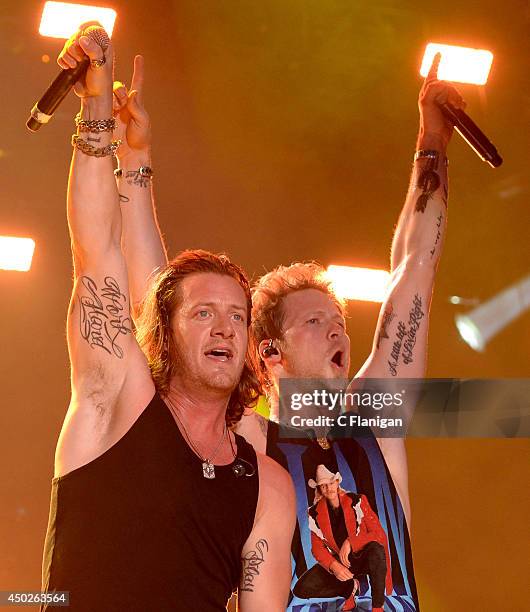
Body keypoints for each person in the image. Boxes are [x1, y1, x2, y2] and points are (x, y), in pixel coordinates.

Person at [110, 45, 462, 610]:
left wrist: (432, 144)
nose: (338, 334)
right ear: (269, 354)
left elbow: (414, 274)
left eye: (341, 323)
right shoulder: (249, 440)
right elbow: (161, 303)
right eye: (316, 322)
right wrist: (136, 164)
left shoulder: (376, 420)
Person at [40, 24, 295, 612]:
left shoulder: (266, 485)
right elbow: (96, 251)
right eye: (204, 312)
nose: (226, 326)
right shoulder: (118, 400)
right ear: (163, 331)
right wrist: (98, 111)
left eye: (238, 315)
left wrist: (139, 160)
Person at [294, 465, 392, 611]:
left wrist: (350, 542)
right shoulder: (314, 513)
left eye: (331, 483)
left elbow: (379, 534)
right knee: (301, 589)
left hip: (365, 556)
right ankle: (349, 589)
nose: (328, 488)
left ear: (338, 482)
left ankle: (378, 607)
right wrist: (334, 566)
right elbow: (317, 548)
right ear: (319, 489)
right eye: (323, 486)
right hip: (342, 561)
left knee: (376, 549)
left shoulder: (357, 501)